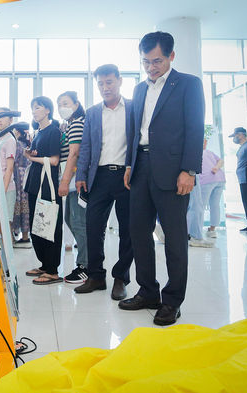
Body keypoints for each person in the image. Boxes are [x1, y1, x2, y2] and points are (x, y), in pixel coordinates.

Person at [120, 31, 204, 326]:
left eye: (156, 61)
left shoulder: (189, 84)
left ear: (171, 56)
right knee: (138, 232)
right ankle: (147, 292)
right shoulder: (139, 89)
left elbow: (195, 127)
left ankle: (172, 301)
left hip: (173, 169)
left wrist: (189, 170)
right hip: (140, 166)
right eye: (145, 61)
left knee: (174, 238)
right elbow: (135, 130)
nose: (150, 67)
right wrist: (129, 164)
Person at [74, 64, 134, 300]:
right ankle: (96, 276)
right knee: (93, 227)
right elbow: (86, 146)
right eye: (100, 83)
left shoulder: (133, 108)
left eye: (109, 82)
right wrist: (81, 175)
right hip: (98, 177)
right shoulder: (92, 113)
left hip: (126, 177)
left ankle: (121, 278)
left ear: (119, 81)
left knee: (127, 230)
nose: (105, 87)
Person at [24, 96, 63, 285]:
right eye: (33, 108)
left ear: (48, 110)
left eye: (38, 107)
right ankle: (45, 265)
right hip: (35, 185)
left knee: (49, 227)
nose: (34, 111)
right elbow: (40, 156)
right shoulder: (38, 132)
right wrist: (30, 154)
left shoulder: (53, 131)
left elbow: (54, 160)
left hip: (47, 187)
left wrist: (32, 159)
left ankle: (53, 271)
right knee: (37, 228)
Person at [55, 91, 88, 286]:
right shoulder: (71, 125)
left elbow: (74, 153)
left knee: (79, 223)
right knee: (71, 220)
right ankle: (86, 260)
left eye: (66, 103)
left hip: (76, 179)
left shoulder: (76, 124)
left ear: (76, 104)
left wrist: (64, 181)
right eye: (59, 104)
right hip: (74, 178)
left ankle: (85, 266)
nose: (62, 107)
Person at [0, 107, 17, 237]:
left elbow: (9, 168)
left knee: (4, 225)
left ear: (11, 120)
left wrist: (2, 191)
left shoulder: (10, 140)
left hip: (5, 188)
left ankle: (8, 250)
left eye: (2, 116)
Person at [199, 137, 225, 238]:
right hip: (220, 179)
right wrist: (216, 168)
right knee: (215, 205)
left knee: (200, 206)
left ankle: (197, 231)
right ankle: (212, 230)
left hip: (206, 180)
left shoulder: (196, 153)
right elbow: (221, 161)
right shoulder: (209, 152)